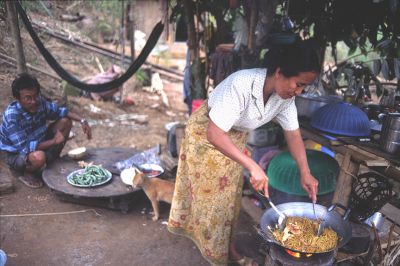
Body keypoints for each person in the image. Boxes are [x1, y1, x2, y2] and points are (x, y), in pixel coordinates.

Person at [167, 39, 320, 265]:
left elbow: (294, 134)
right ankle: (215, 254)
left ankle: (227, 248)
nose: (298, 91)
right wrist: (253, 166)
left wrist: (305, 172)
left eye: (304, 88)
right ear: (279, 73)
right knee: (212, 201)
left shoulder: (285, 99)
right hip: (206, 135)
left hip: (234, 138)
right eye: (298, 84)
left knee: (229, 198)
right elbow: (215, 134)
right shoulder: (241, 84)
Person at [0, 73, 92, 188]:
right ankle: (26, 172)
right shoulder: (12, 116)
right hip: (17, 154)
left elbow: (61, 111)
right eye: (28, 98)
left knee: (65, 121)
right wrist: (54, 141)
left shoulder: (39, 103)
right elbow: (25, 147)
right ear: (17, 98)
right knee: (39, 157)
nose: (33, 101)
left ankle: (52, 161)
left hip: (38, 140)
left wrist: (83, 120)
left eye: (35, 96)